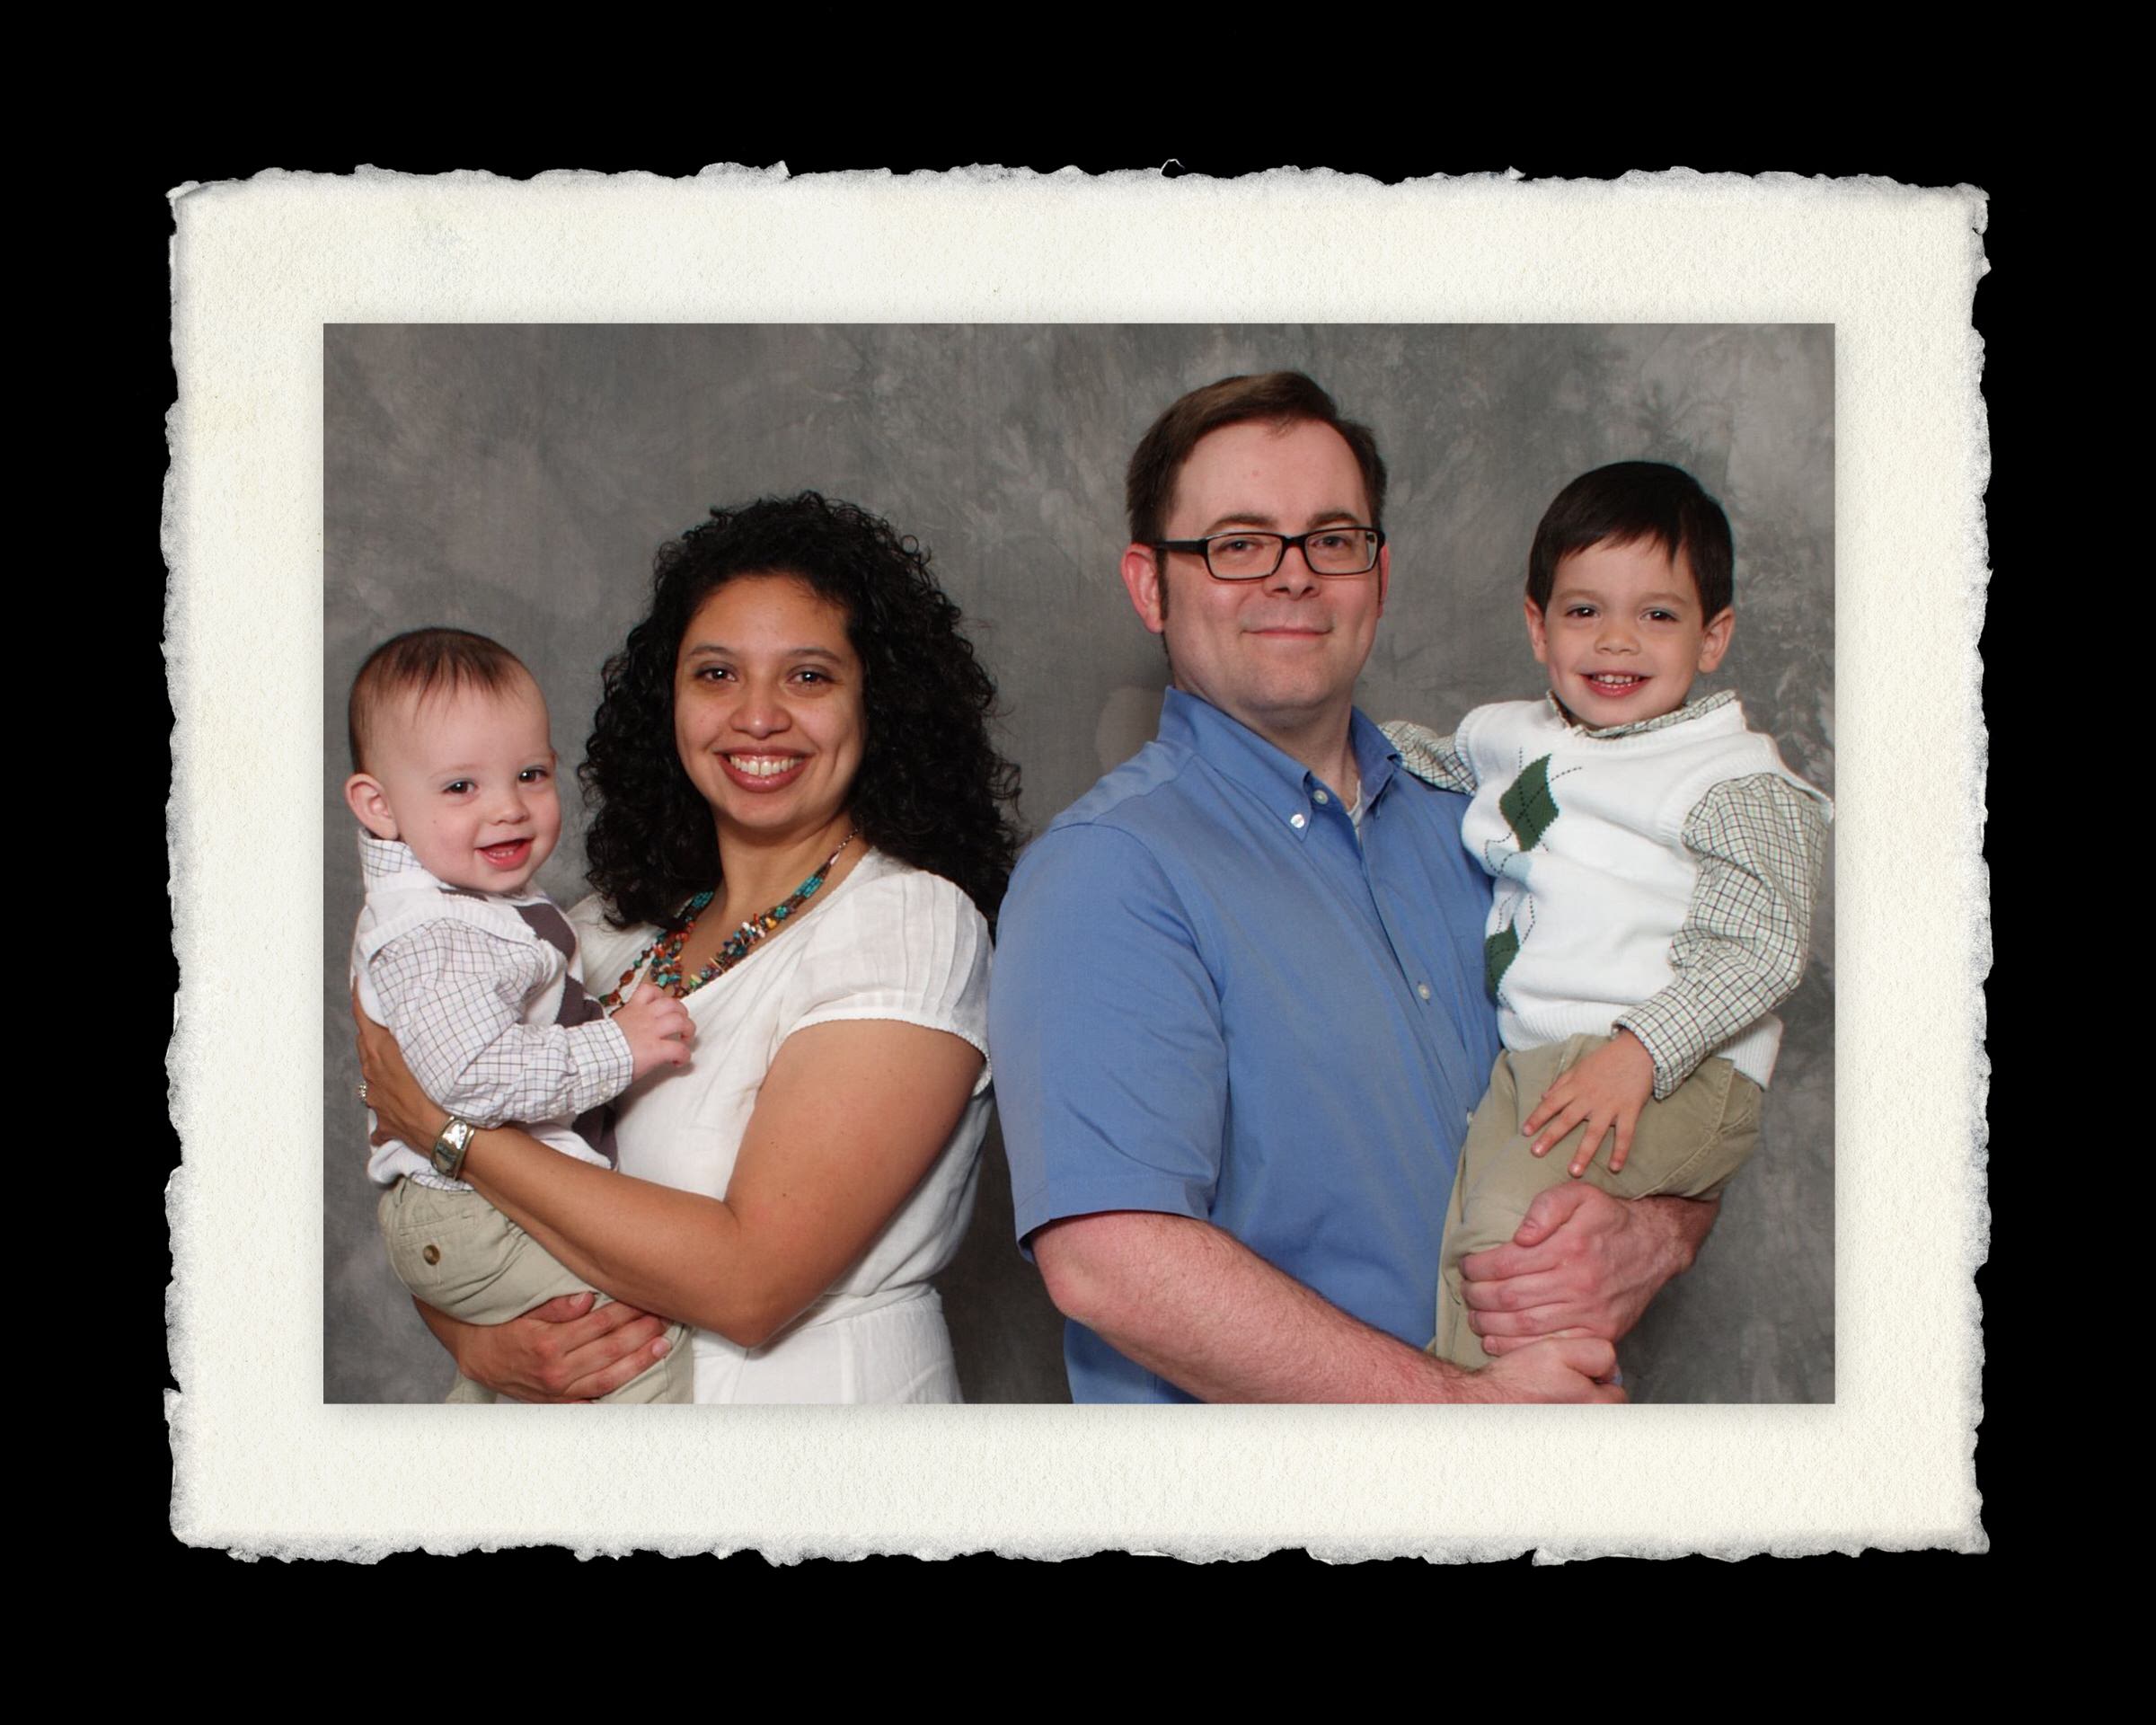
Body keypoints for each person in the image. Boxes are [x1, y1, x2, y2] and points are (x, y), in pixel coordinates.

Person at [991, 372, 1718, 1403]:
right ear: (1152, 586)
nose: (1294, 577)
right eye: (1239, 544)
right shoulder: (1107, 872)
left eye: (1332, 540)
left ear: (1377, 577)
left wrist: (1658, 1231)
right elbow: (1110, 1260)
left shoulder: (1494, 824)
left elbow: (1674, 1057)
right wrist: (1467, 1415)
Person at [355, 492, 1022, 1402]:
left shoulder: (909, 925)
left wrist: (449, 1131)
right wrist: (477, 1344)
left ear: (880, 703)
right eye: (716, 674)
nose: (757, 716)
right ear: (667, 699)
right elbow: (436, 1210)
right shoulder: (595, 929)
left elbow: (751, 1285)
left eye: (808, 676)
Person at [1381, 462, 1831, 1367]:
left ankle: (1527, 1432)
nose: (1617, 641)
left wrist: (1640, 1053)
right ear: (1537, 626)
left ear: (1713, 636)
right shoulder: (1517, 735)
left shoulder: (1728, 777)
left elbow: (1761, 949)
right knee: (1462, 1249)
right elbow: (1427, 759)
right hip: (1535, 1060)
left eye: (1658, 615)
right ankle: (1463, 1423)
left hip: (1671, 1067)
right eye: (1585, 611)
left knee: (1517, 1243)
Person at [345, 628, 696, 1402]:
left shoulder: (471, 903)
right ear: (379, 805)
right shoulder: (435, 931)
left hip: (469, 1207)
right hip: (471, 1211)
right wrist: (618, 1047)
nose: (508, 808)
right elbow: (470, 1077)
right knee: (643, 1343)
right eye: (460, 787)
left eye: (531, 774)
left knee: (533, 1378)